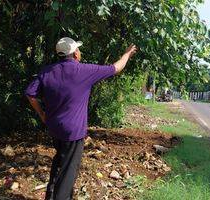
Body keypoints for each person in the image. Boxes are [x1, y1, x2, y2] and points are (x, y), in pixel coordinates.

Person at [25, 37, 137, 200]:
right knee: (69, 173)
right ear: (75, 53)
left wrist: (42, 114)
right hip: (73, 133)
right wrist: (126, 54)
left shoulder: (47, 71)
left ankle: (51, 195)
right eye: (78, 49)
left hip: (54, 128)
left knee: (60, 161)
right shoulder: (84, 71)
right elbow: (116, 67)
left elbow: (30, 94)